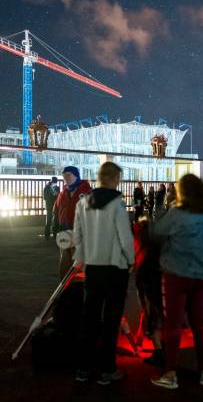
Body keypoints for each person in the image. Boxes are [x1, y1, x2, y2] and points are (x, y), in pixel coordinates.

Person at [149, 174, 203, 389]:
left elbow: (156, 232)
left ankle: (170, 373)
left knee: (173, 325)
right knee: (200, 325)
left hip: (177, 275)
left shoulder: (176, 214)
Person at [73, 162, 134, 385]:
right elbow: (125, 237)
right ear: (114, 178)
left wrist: (82, 258)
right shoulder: (117, 204)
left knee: (89, 317)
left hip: (92, 268)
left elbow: (77, 236)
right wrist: (131, 259)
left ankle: (84, 367)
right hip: (115, 268)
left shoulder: (83, 203)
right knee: (111, 319)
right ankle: (108, 369)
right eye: (118, 178)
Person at [132, 217, 164, 367]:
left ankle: (158, 350)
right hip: (158, 273)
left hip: (144, 274)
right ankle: (157, 343)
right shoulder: (156, 239)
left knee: (150, 311)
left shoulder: (138, 237)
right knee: (156, 309)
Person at [54, 166, 92, 279]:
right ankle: (65, 286)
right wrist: (55, 227)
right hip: (64, 232)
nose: (66, 178)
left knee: (79, 265)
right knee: (65, 264)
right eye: (64, 176)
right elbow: (56, 210)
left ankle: (79, 287)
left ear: (76, 175)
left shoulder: (87, 192)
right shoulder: (63, 193)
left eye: (69, 175)